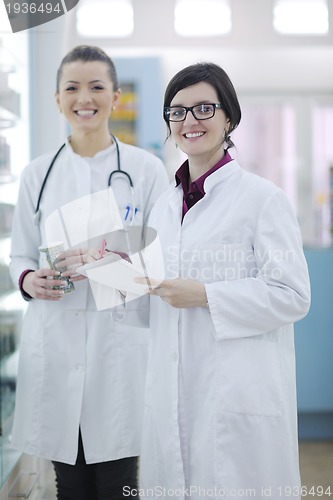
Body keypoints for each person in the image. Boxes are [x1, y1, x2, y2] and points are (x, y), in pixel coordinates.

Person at [137, 63, 311, 500]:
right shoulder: (162, 205)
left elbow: (293, 296)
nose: (189, 121)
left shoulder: (262, 198)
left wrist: (207, 296)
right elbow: (155, 295)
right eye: (177, 112)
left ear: (229, 117)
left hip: (236, 393)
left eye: (204, 108)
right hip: (173, 389)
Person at [9, 45, 168, 500]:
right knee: (70, 484)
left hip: (118, 346)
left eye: (97, 86)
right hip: (56, 344)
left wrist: (103, 265)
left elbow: (161, 264)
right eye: (73, 87)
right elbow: (20, 255)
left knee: (119, 482)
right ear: (57, 99)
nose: (85, 97)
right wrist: (28, 280)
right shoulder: (36, 175)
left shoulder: (145, 170)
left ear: (116, 96)